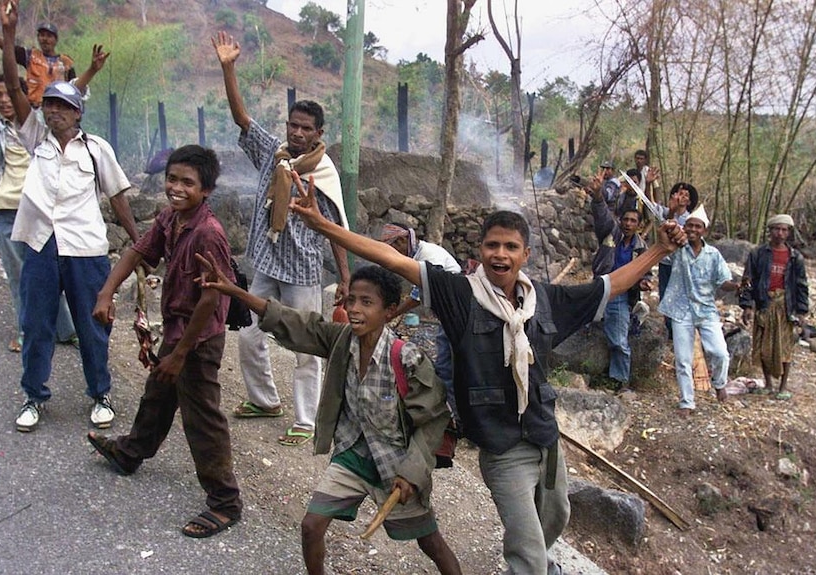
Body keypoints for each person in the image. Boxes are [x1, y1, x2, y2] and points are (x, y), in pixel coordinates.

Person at [287, 170, 686, 574]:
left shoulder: (546, 301)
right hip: (501, 447)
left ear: (525, 254)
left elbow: (611, 285)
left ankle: (539, 563)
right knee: (526, 547)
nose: (501, 254)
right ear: (479, 250)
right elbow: (389, 258)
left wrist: (658, 250)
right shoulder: (459, 294)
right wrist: (322, 224)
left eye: (511, 246)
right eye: (492, 245)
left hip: (544, 437)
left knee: (555, 517)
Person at [196, 259, 461, 573]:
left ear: (389, 311)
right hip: (354, 453)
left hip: (397, 463)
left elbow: (432, 421)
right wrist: (235, 291)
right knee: (311, 525)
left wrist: (412, 473)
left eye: (367, 302)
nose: (355, 310)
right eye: (352, 300)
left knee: (429, 542)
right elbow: (295, 323)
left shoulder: (407, 358)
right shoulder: (341, 340)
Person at [87, 145, 242, 539]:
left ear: (205, 190)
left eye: (187, 182)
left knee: (202, 417)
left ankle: (225, 502)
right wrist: (106, 293)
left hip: (199, 337)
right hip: (178, 329)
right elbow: (139, 251)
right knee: (158, 392)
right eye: (172, 179)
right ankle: (130, 452)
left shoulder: (208, 234)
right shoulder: (171, 218)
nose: (176, 187)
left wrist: (181, 354)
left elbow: (211, 298)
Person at [1, 3, 139, 432]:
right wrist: (8, 36)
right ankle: (33, 396)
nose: (53, 111)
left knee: (92, 324)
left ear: (78, 112)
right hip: (41, 245)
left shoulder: (97, 149)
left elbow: (117, 195)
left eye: (63, 106)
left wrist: (139, 242)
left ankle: (101, 394)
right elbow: (13, 83)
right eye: (50, 105)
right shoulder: (35, 138)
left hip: (85, 249)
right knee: (35, 324)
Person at [212, 31, 351, 446]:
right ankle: (264, 399)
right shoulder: (274, 155)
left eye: (305, 127)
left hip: (303, 271)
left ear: (318, 132)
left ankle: (307, 419)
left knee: (305, 345)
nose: (296, 132)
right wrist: (228, 67)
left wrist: (344, 278)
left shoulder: (321, 173)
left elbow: (337, 230)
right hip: (267, 263)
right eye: (292, 124)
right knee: (251, 334)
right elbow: (242, 119)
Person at [0, 41, 108, 354]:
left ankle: (65, 329)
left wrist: (91, 71)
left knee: (54, 277)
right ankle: (28, 330)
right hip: (7, 212)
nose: (4, 100)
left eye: (7, 94)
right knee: (21, 279)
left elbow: (69, 92)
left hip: (45, 215)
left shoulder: (41, 127)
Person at [658, 204, 736, 416]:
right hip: (680, 309)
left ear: (704, 231)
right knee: (683, 359)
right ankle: (687, 402)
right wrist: (672, 217)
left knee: (720, 353)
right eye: (689, 226)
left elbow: (724, 281)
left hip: (706, 310)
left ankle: (720, 384)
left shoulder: (713, 254)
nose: (692, 230)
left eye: (697, 226)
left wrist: (738, 286)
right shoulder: (677, 249)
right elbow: (663, 231)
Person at [379, 222, 462, 423]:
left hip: (457, 315)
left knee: (447, 366)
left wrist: (393, 314)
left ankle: (455, 419)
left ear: (401, 240)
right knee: (447, 364)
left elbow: (417, 295)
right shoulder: (420, 255)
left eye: (392, 248)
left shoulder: (428, 256)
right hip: (448, 316)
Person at [587, 177, 651, 391]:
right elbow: (601, 213)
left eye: (634, 221)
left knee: (619, 341)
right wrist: (597, 195)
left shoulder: (641, 248)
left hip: (621, 295)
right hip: (599, 288)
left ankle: (620, 380)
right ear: (620, 221)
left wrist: (643, 283)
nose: (628, 224)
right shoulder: (610, 233)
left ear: (639, 225)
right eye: (626, 220)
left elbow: (646, 274)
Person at [740, 214, 809, 400]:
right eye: (777, 229)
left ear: (788, 233)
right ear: (770, 231)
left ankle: (783, 387)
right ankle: (768, 383)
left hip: (785, 306)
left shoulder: (795, 258)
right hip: (764, 303)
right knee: (763, 345)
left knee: (784, 347)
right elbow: (748, 281)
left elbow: (801, 285)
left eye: (784, 229)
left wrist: (801, 311)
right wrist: (747, 305)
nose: (780, 233)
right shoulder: (757, 254)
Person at [0, 19, 76, 107]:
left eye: (49, 36)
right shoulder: (30, 56)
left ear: (56, 40)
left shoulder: (65, 62)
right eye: (42, 35)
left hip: (57, 109)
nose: (45, 39)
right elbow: (7, 49)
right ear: (38, 38)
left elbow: (74, 88)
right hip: (34, 107)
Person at [656, 182, 699, 339]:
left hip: (681, 265)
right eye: (679, 193)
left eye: (686, 195)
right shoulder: (666, 212)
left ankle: (680, 333)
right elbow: (664, 227)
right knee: (664, 295)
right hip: (665, 262)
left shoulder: (691, 220)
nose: (682, 197)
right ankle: (670, 332)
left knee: (680, 297)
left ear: (689, 201)